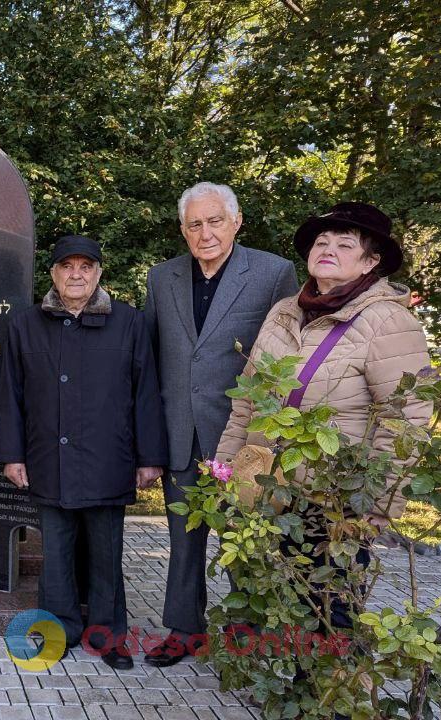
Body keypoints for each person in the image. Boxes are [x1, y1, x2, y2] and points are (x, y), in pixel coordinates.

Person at [215, 202, 431, 624]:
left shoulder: (387, 321)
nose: (328, 248)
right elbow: (248, 399)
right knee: (279, 599)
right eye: (322, 241)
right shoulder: (285, 311)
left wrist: (380, 505)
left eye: (344, 243)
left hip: (335, 500)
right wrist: (226, 470)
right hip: (270, 490)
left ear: (371, 262)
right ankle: (293, 683)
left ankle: (327, 685)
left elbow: (406, 422)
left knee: (331, 613)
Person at [142, 182, 299, 667]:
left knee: (244, 540)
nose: (205, 232)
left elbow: (290, 357)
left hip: (245, 436)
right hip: (180, 431)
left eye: (214, 221)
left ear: (236, 221)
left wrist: (272, 435)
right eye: (195, 224)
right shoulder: (161, 278)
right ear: (183, 229)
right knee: (182, 538)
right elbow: (151, 358)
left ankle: (246, 634)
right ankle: (184, 629)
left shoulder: (274, 273)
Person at [0, 235, 167, 670]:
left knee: (106, 555)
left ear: (99, 273)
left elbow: (146, 394)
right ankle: (59, 630)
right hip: (46, 460)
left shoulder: (129, 323)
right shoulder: (25, 325)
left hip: (109, 461)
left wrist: (150, 458)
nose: (76, 274)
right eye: (67, 266)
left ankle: (110, 637)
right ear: (52, 273)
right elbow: (10, 395)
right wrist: (12, 455)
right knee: (55, 555)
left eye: (85, 267)